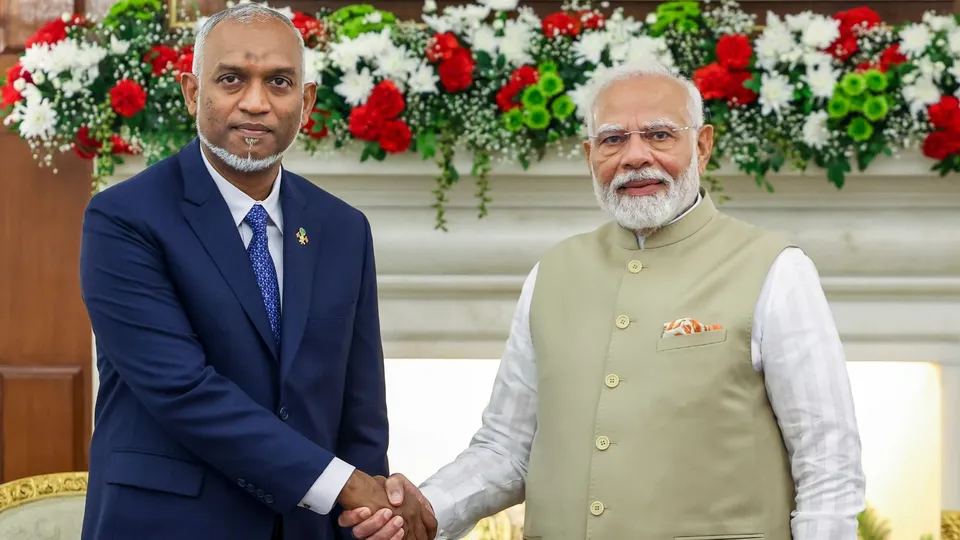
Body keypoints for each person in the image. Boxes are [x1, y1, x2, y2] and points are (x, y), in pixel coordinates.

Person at [339, 59, 867, 540]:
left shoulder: (775, 268)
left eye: (660, 135)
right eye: (613, 140)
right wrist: (424, 510)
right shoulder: (552, 273)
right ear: (591, 155)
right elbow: (506, 450)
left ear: (702, 145)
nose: (636, 156)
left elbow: (828, 463)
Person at [78, 5, 435, 540]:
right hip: (166, 525)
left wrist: (373, 512)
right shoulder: (124, 218)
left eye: (279, 82)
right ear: (191, 92)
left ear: (306, 101)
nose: (255, 102)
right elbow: (183, 390)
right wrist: (345, 485)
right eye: (230, 80)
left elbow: (359, 412)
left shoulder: (343, 229)